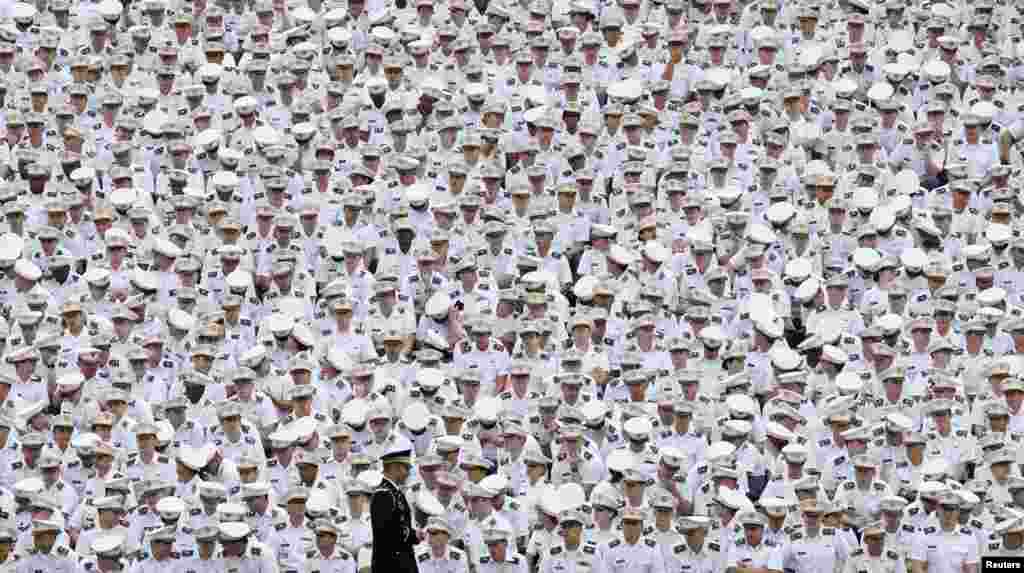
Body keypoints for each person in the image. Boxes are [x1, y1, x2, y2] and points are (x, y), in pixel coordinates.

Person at [371, 434, 418, 573]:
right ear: (395, 467)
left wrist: (415, 534)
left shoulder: (394, 492)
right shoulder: (383, 494)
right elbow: (386, 535)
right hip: (390, 566)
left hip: (400, 564)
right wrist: (412, 535)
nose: (408, 473)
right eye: (406, 468)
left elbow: (398, 526)